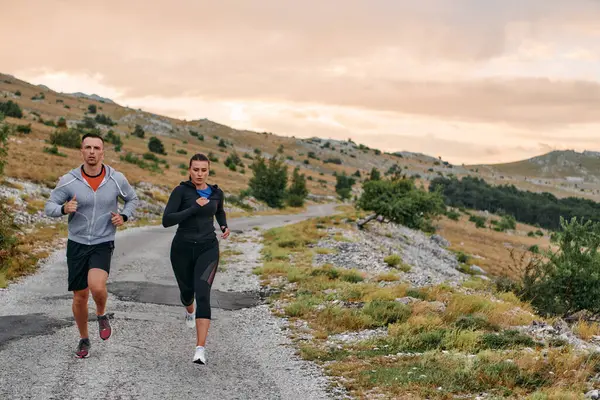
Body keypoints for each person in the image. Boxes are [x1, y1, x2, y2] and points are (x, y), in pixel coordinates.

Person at [45, 132, 139, 358]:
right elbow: (49, 206)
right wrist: (63, 209)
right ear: (81, 151)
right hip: (77, 243)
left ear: (103, 152)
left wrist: (124, 216)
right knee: (80, 296)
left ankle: (101, 314)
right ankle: (84, 339)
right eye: (87, 148)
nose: (92, 152)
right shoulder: (69, 180)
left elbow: (133, 199)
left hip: (102, 241)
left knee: (96, 286)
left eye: (96, 148)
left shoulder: (116, 178)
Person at [162, 153, 230, 365]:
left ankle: (200, 349)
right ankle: (188, 310)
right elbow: (167, 220)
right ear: (189, 170)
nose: (199, 174)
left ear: (208, 171)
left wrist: (224, 225)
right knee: (187, 293)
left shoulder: (216, 192)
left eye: (204, 170)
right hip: (181, 249)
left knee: (203, 293)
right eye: (196, 170)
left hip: (208, 248)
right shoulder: (181, 191)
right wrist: (193, 207)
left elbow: (219, 211)